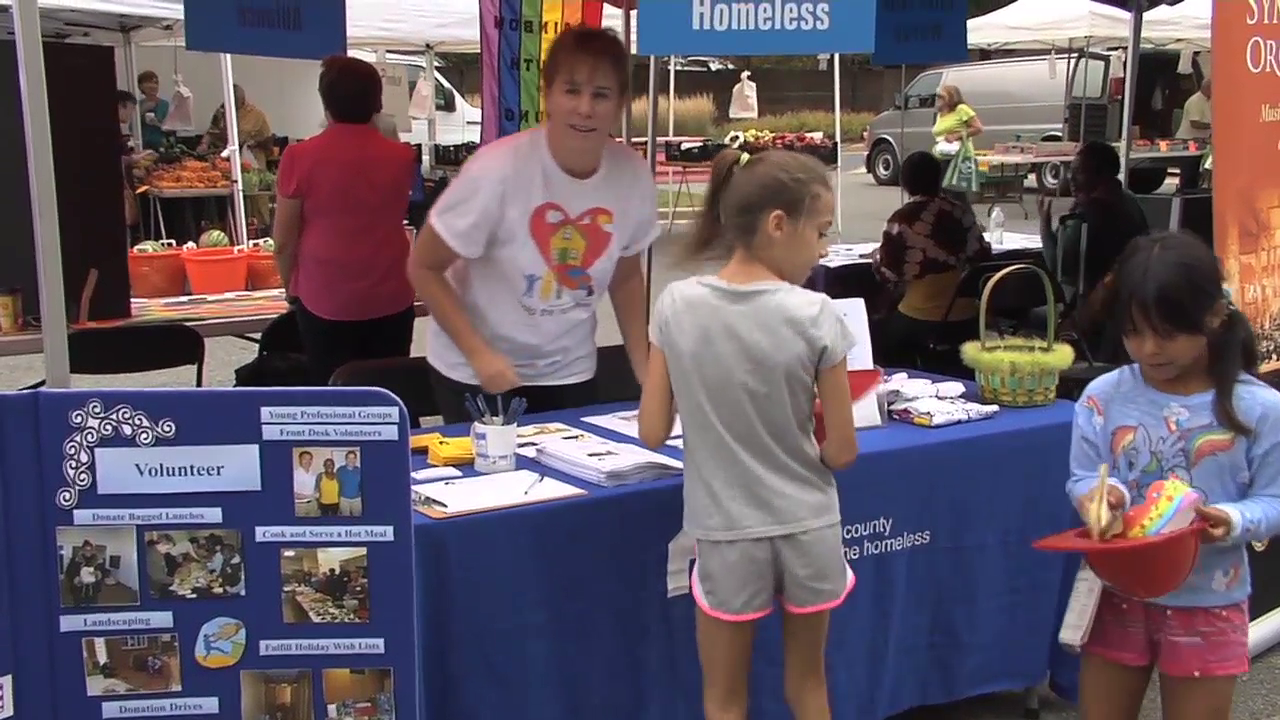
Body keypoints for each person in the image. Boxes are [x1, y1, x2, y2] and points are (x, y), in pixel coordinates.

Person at [636, 148, 859, 720]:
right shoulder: (816, 315)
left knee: (724, 697)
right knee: (809, 686)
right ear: (778, 224)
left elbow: (653, 431)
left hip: (725, 531)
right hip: (809, 526)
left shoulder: (676, 305)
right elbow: (841, 450)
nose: (824, 248)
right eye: (821, 232)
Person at [1068, 232, 1280, 720]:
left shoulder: (1258, 408)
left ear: (1213, 315)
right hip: (1115, 592)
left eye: (1166, 333)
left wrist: (1230, 518)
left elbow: (1271, 500)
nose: (1147, 349)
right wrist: (1101, 498)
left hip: (1209, 598)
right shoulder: (1103, 396)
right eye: (1132, 333)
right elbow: (1083, 476)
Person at [408, 27, 658, 424]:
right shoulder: (496, 170)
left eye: (601, 95)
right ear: (548, 96)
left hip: (569, 371)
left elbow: (626, 276)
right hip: (476, 374)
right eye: (571, 91)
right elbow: (424, 266)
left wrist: (646, 370)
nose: (585, 108)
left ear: (621, 104)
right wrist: (478, 354)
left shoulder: (633, 174)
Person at [274, 56, 417, 384]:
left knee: (335, 393)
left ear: (325, 102)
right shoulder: (402, 157)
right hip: (392, 292)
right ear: (377, 102)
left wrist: (290, 286)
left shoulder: (299, 157)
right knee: (389, 391)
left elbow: (284, 240)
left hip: (323, 294)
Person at [871, 151, 990, 367]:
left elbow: (888, 273)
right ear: (939, 179)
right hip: (968, 317)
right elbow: (981, 255)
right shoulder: (960, 212)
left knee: (877, 330)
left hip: (921, 317)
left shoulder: (901, 219)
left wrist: (876, 260)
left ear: (905, 182)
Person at [198, 84, 273, 226]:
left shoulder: (255, 114)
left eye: (235, 101)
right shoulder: (221, 112)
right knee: (230, 193)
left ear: (242, 100)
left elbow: (268, 140)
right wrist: (204, 144)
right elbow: (212, 131)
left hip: (252, 159)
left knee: (255, 195)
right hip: (227, 160)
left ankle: (261, 226)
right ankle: (231, 225)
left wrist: (253, 143)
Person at [931, 84, 983, 204]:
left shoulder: (961, 109)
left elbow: (978, 128)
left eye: (941, 96)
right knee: (941, 191)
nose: (938, 99)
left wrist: (956, 136)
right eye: (937, 96)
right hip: (942, 155)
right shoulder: (940, 114)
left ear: (951, 97)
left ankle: (964, 218)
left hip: (958, 157)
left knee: (955, 192)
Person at [1176, 78, 1211, 191]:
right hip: (1188, 141)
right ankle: (1185, 193)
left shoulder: (1209, 101)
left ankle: (1195, 191)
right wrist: (1213, 126)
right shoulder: (1195, 101)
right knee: (1189, 171)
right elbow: (1194, 123)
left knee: (1197, 170)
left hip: (1202, 141)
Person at [136, 70, 170, 151]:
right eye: (148, 83)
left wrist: (157, 123)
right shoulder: (137, 104)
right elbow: (131, 127)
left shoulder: (164, 104)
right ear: (140, 86)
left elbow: (171, 127)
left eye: (155, 83)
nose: (153, 86)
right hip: (141, 145)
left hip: (160, 145)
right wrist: (142, 111)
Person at [65, 540, 106, 606]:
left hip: (93, 590)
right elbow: (68, 572)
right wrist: (75, 578)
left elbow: (104, 572)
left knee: (92, 608)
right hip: (78, 590)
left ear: (93, 550)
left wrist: (98, 574)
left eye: (90, 549)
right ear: (82, 549)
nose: (88, 551)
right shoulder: (75, 560)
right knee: (78, 607)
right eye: (86, 549)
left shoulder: (99, 561)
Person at [293, 450, 319, 516]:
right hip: (300, 506)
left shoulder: (313, 474)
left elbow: (315, 489)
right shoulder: (294, 474)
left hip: (313, 504)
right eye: (305, 459)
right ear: (299, 460)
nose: (308, 462)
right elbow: (292, 494)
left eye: (310, 459)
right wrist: (310, 496)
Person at [336, 450, 362, 516]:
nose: (351, 460)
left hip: (357, 500)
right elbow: (337, 484)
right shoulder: (340, 470)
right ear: (346, 459)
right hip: (344, 500)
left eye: (353, 458)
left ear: (356, 459)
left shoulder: (359, 470)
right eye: (349, 458)